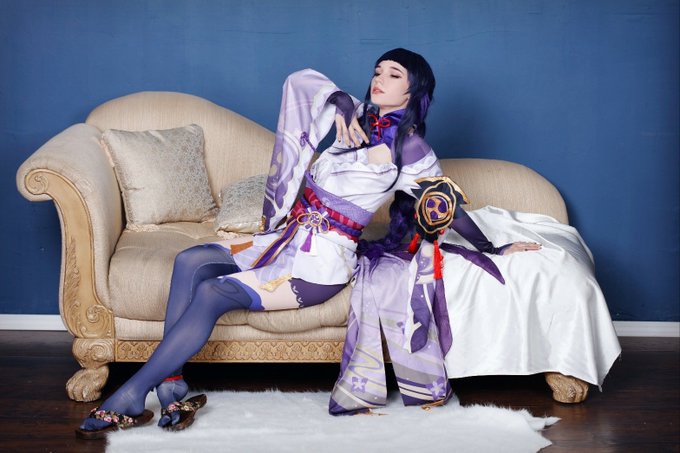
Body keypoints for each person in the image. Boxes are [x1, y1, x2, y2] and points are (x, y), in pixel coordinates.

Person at [76, 48, 538, 438]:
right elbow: (299, 82)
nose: (379, 79)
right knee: (190, 260)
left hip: (319, 265)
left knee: (213, 292)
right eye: (377, 71)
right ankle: (172, 384)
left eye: (394, 75)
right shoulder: (354, 118)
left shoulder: (411, 148)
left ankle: (132, 394)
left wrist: (492, 247)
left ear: (414, 91)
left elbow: (444, 205)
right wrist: (340, 104)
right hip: (285, 238)